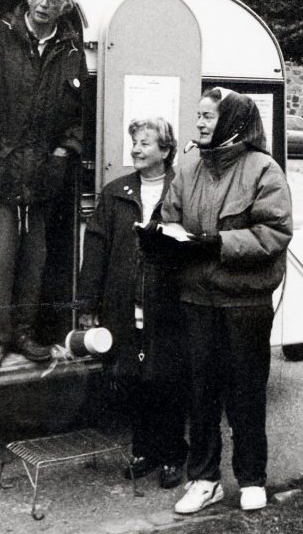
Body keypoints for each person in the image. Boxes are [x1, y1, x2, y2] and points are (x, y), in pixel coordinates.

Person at [143, 88, 292, 514]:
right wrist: (157, 233)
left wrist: (217, 242)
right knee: (200, 393)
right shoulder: (188, 166)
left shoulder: (264, 169)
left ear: (232, 122)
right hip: (196, 299)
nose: (201, 123)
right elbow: (169, 217)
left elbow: (274, 233)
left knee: (245, 392)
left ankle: (251, 478)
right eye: (198, 115)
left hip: (244, 303)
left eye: (209, 116)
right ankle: (204, 479)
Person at [0, 0, 87, 372]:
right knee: (0, 257)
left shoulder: (71, 48)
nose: (45, 4)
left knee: (34, 258)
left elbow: (79, 114)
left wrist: (61, 154)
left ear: (65, 7)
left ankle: (24, 334)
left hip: (42, 172)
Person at [76, 117, 188, 490]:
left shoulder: (183, 188)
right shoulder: (115, 192)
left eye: (145, 143)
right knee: (133, 377)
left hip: (169, 304)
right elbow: (95, 250)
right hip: (125, 304)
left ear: (166, 150)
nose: (136, 149)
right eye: (134, 143)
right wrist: (89, 303)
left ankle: (173, 454)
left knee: (168, 380)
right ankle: (145, 450)